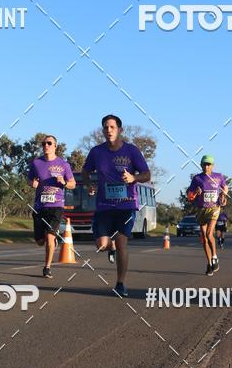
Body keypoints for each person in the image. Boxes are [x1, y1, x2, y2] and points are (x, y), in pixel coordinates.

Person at [81, 115, 151, 297]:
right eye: (105, 127)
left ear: (120, 130)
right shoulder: (96, 152)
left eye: (112, 127)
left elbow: (147, 174)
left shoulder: (131, 151)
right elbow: (85, 171)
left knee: (122, 243)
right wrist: (89, 183)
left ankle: (120, 283)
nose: (109, 130)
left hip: (126, 205)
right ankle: (109, 247)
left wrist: (134, 178)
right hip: (104, 205)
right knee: (102, 244)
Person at [28, 135, 75, 278]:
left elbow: (72, 184)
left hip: (56, 206)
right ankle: (52, 240)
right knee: (40, 241)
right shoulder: (36, 163)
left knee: (49, 236)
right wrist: (32, 183)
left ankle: (47, 267)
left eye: (49, 143)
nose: (46, 145)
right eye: (44, 143)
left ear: (55, 146)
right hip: (39, 206)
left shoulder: (63, 165)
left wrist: (64, 182)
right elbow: (30, 179)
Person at [187, 156, 229, 276]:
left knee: (209, 233)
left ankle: (215, 256)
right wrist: (195, 192)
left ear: (213, 165)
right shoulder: (197, 178)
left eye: (209, 164)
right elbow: (189, 196)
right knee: (204, 239)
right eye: (204, 164)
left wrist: (224, 195)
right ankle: (210, 263)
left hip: (214, 208)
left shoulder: (218, 176)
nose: (206, 167)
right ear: (201, 165)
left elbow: (225, 187)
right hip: (201, 210)